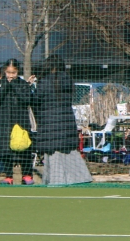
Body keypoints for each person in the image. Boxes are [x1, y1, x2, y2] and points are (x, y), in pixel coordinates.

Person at [33, 55, 92, 186]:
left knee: (54, 154)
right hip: (67, 123)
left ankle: (56, 180)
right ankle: (79, 177)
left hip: (49, 124)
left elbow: (36, 101)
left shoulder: (44, 82)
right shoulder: (68, 81)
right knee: (69, 152)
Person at [0, 59, 36, 185]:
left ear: (17, 72)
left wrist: (15, 86)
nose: (11, 75)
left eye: (13, 73)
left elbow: (27, 99)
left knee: (24, 148)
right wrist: (6, 85)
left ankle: (27, 175)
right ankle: (8, 176)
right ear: (5, 71)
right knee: (6, 151)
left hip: (21, 122)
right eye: (9, 72)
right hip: (4, 122)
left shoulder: (22, 84)